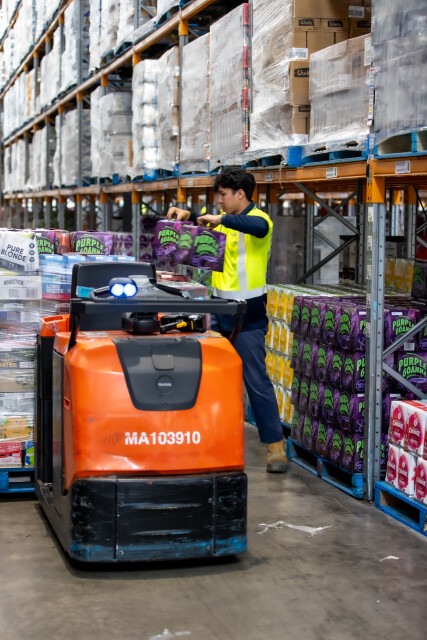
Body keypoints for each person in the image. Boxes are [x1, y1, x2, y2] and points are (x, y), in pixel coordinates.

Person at [167, 166, 288, 473]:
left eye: (222, 195)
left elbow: (253, 227)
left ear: (240, 194)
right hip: (219, 312)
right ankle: (206, 439)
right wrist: (188, 216)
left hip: (247, 314)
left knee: (256, 381)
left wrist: (219, 219)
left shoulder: (260, 220)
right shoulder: (224, 222)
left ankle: (275, 445)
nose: (219, 201)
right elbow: (207, 228)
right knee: (210, 379)